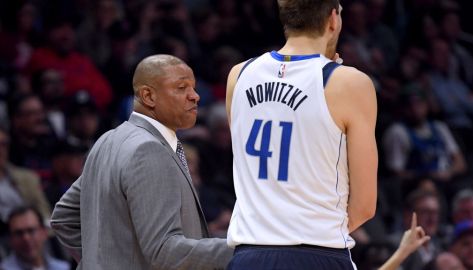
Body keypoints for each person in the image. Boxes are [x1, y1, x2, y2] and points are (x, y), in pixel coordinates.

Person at [225, 0, 378, 269]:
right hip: (316, 253)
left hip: (248, 255)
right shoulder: (350, 83)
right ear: (333, 19)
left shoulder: (239, 74)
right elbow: (365, 206)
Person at [50, 54, 232, 269]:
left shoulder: (107, 140)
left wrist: (104, 261)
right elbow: (163, 250)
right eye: (182, 88)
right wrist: (240, 252)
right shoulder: (149, 149)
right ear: (148, 96)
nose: (195, 96)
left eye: (193, 87)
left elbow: (63, 218)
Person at [1, 206, 69, 270]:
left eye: (31, 231)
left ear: (44, 232)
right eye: (19, 233)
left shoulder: (64, 267)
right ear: (10, 238)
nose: (26, 238)